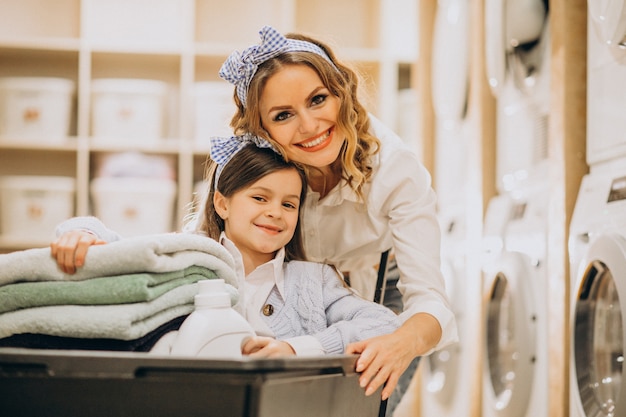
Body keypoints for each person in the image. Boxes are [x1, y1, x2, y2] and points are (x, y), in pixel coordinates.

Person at [201, 25, 459, 414]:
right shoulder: (257, 163)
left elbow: (430, 302)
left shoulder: (394, 169)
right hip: (290, 290)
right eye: (284, 114)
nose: (309, 126)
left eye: (318, 99)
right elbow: (192, 246)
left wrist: (399, 341)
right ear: (261, 129)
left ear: (342, 93)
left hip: (379, 289)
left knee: (357, 407)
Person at [51, 137, 401, 361]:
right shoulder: (186, 260)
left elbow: (382, 323)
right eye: (260, 198)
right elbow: (117, 246)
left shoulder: (315, 280)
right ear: (222, 203)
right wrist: (80, 232)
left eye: (289, 204)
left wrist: (296, 348)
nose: (275, 213)